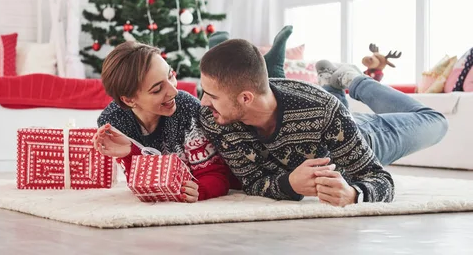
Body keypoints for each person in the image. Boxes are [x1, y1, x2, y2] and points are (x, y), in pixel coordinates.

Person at [197, 39, 448, 207]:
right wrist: (289, 184)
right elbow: (252, 182)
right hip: (330, 126)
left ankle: (355, 81)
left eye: (212, 95)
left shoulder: (321, 109)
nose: (204, 102)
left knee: (436, 122)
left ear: (245, 98)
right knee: (333, 112)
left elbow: (380, 180)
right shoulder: (216, 119)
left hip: (366, 136)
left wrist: (353, 194)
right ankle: (332, 84)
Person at [91, 41, 231, 202]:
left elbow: (218, 176)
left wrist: (201, 189)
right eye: (157, 89)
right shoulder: (114, 121)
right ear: (129, 100)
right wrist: (130, 153)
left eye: (171, 75)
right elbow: (141, 183)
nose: (174, 90)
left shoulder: (188, 109)